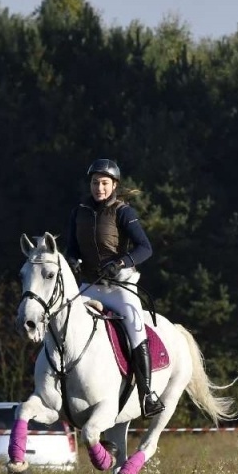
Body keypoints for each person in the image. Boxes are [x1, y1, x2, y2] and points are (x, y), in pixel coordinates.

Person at [63, 158, 163, 417]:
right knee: (61, 323)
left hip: (119, 288)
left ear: (114, 185)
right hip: (89, 286)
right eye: (95, 183)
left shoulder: (123, 212)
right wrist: (72, 260)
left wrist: (120, 262)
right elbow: (71, 248)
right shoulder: (78, 212)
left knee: (135, 327)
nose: (99, 188)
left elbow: (145, 248)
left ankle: (147, 394)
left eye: (104, 183)